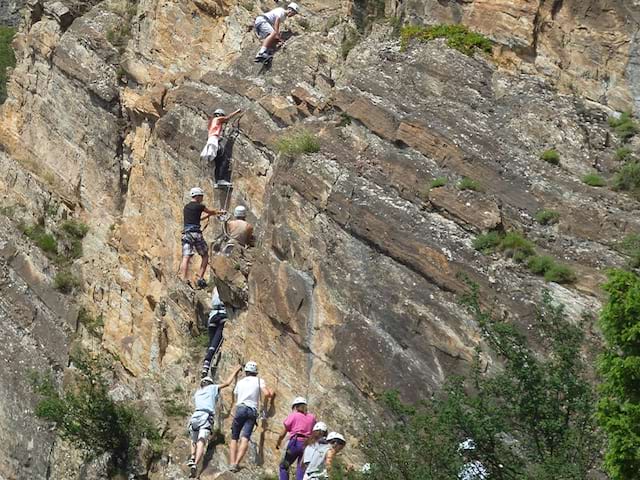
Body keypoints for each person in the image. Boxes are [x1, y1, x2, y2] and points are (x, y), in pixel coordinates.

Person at [187, 367, 242, 478]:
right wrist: (236, 370)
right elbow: (227, 383)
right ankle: (196, 464)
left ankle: (192, 457)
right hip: (206, 416)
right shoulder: (213, 388)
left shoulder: (198, 393)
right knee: (201, 441)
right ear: (210, 384)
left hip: (195, 416)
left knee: (193, 439)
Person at [228, 361, 275, 472]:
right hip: (252, 411)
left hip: (240, 408)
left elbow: (236, 394)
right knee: (245, 438)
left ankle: (231, 463)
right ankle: (236, 463)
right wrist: (271, 393)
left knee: (234, 437)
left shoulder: (240, 382)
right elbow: (267, 394)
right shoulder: (259, 381)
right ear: (255, 372)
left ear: (246, 372)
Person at [179, 187, 225, 289]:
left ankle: (183, 278)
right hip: (196, 234)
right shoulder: (200, 206)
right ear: (198, 196)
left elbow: (196, 219)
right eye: (202, 196)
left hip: (187, 234)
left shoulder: (186, 207)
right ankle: (200, 276)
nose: (202, 198)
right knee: (205, 255)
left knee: (186, 257)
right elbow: (211, 211)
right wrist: (220, 212)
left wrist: (206, 217)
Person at [276, 397, 318, 480]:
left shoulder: (293, 415)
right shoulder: (312, 418)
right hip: (307, 445)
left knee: (284, 466)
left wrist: (278, 442)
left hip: (295, 443)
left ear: (295, 407)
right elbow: (315, 431)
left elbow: (283, 433)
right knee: (301, 469)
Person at [200, 108, 242, 188]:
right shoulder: (217, 119)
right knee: (224, 159)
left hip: (211, 141)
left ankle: (217, 181)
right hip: (213, 141)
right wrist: (237, 112)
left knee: (218, 161)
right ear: (219, 115)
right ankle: (221, 179)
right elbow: (227, 119)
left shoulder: (211, 122)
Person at [201, 287, 227, 378]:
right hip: (223, 314)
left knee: (212, 342)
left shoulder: (215, 289)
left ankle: (206, 364)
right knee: (216, 341)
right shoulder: (224, 288)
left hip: (213, 315)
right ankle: (208, 362)